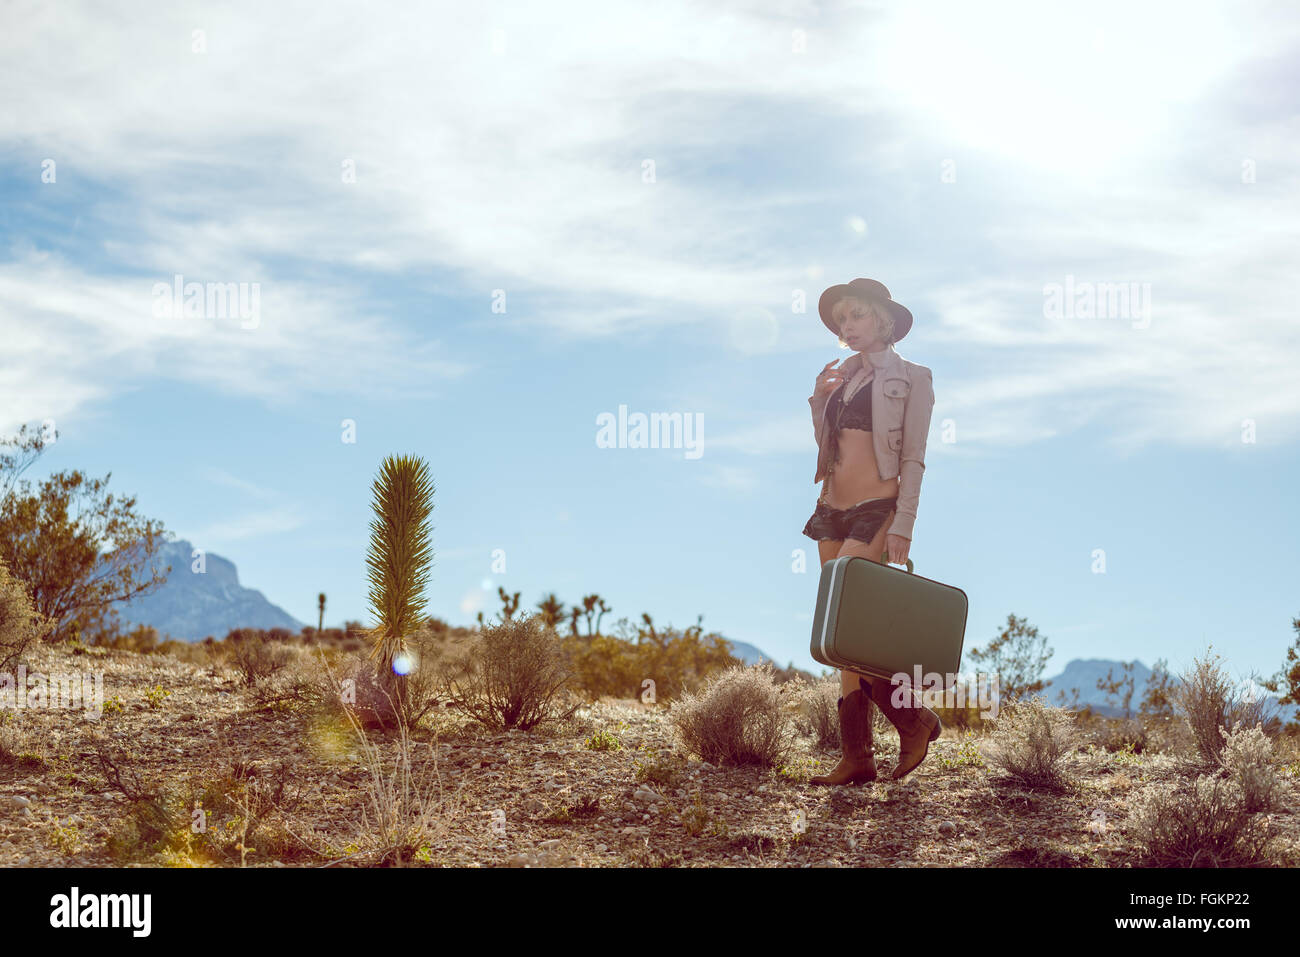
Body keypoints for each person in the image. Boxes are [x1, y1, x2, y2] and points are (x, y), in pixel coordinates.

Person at [803, 278, 941, 785]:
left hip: (876, 508)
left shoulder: (913, 378)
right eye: (842, 319)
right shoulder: (842, 376)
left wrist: (903, 522)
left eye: (856, 315)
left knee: (853, 627)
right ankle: (857, 755)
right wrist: (820, 401)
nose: (847, 326)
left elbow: (914, 457)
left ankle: (913, 720)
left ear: (882, 320)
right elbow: (829, 446)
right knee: (841, 635)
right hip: (831, 507)